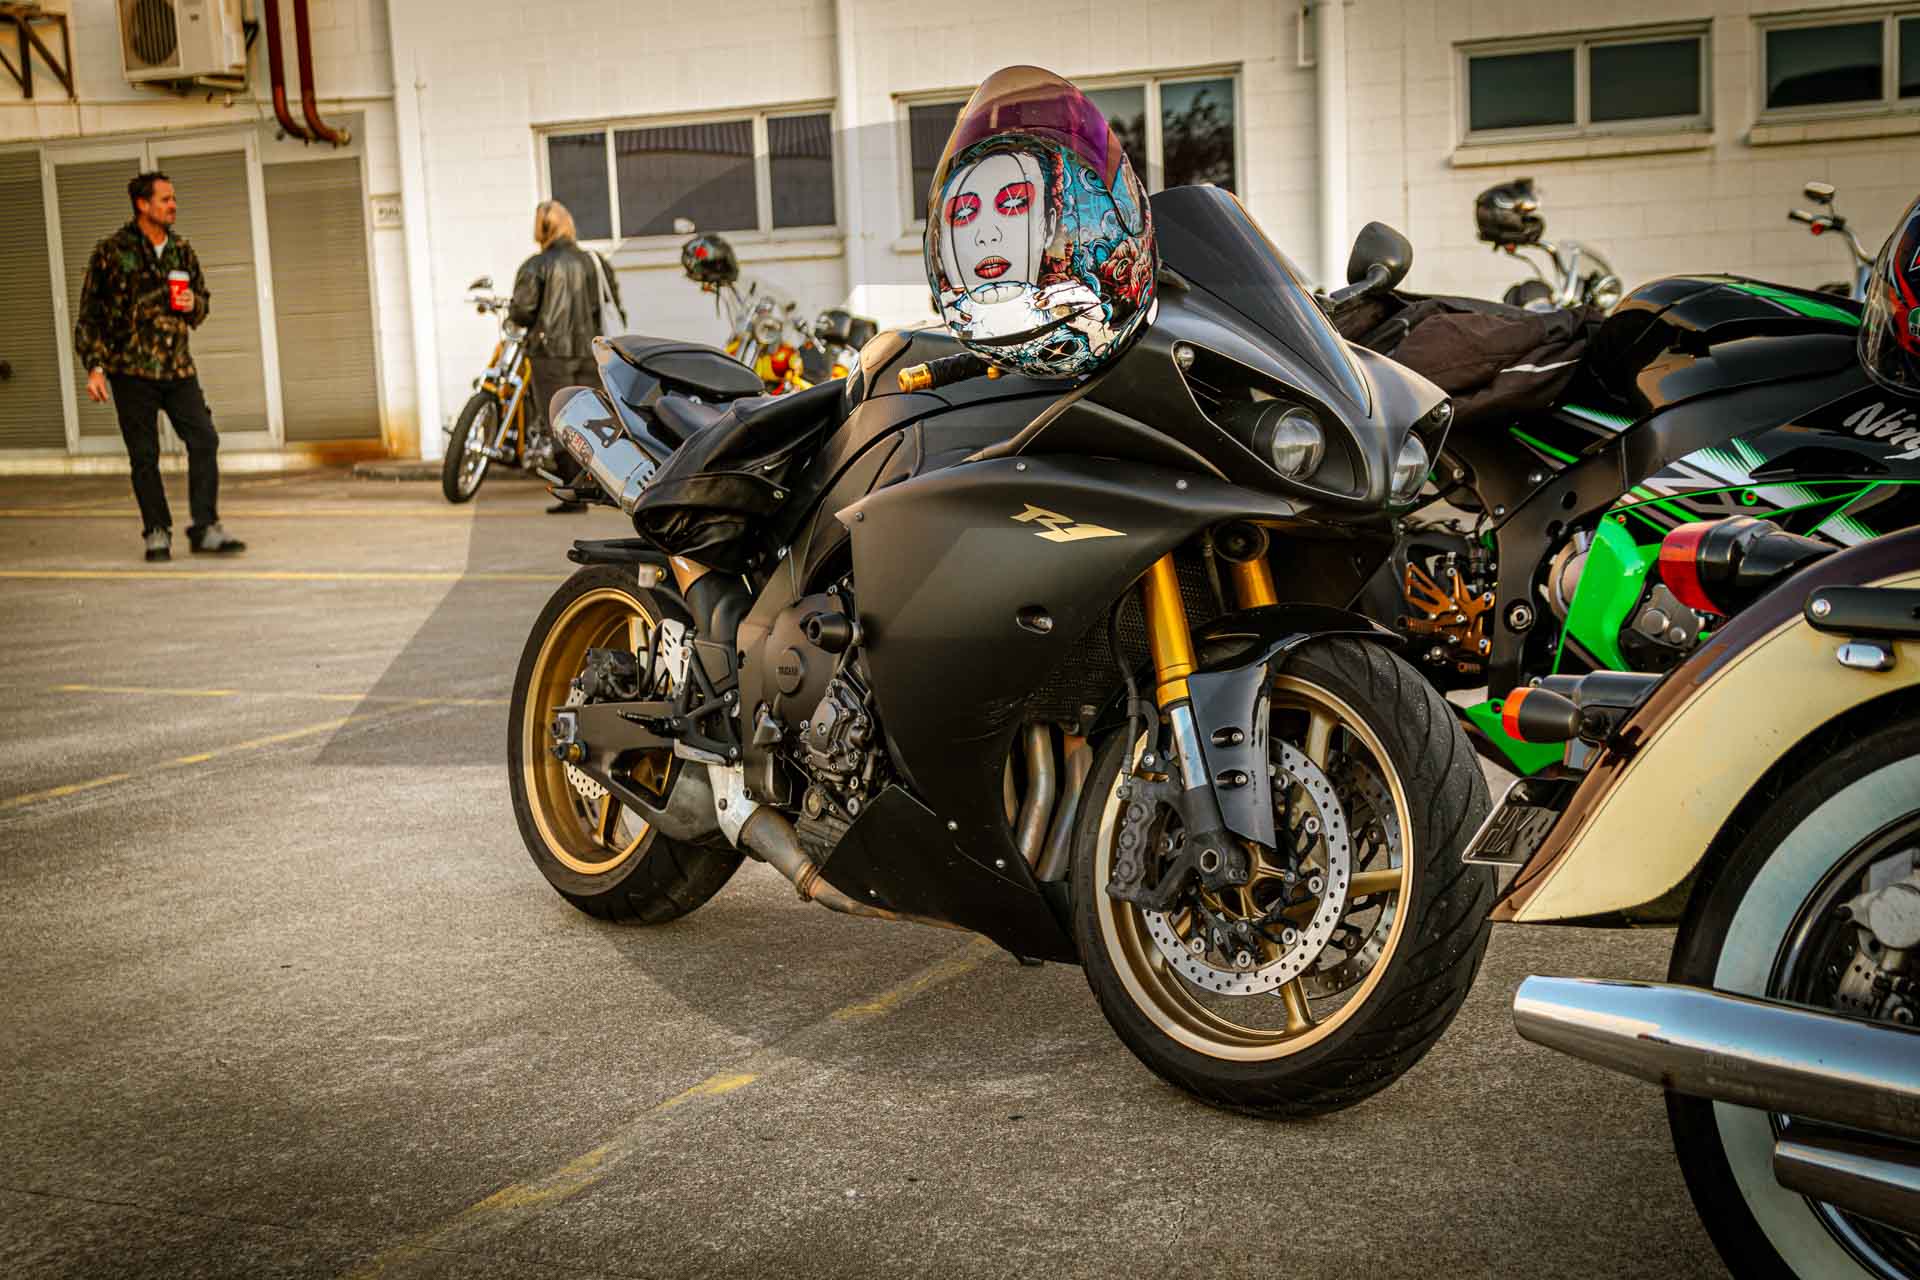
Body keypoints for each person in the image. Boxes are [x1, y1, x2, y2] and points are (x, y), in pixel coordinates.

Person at [74, 171, 244, 561]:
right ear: (142, 204)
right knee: (144, 455)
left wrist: (194, 304)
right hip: (131, 371)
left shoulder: (182, 251)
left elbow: (201, 303)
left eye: (174, 199)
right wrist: (95, 367)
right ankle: (157, 531)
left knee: (204, 439)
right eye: (166, 199)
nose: (173, 205)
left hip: (178, 369)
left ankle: (204, 527)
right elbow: (90, 316)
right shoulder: (111, 252)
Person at [509, 200, 626, 513]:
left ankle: (574, 496)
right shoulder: (595, 262)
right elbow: (612, 304)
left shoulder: (535, 265)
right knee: (591, 420)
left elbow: (522, 312)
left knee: (559, 420)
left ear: (541, 228)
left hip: (549, 354)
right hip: (590, 352)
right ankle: (601, 485)